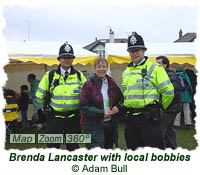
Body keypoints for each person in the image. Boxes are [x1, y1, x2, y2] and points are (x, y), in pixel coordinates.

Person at [122, 32, 174, 150]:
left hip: (149, 119)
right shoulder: (126, 71)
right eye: (131, 51)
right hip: (131, 119)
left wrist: (159, 108)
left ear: (144, 50)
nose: (134, 53)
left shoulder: (155, 68)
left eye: (137, 50)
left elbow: (168, 92)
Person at [36, 42, 86, 151]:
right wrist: (46, 108)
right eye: (64, 57)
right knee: (53, 148)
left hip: (73, 119)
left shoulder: (79, 75)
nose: (67, 59)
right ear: (59, 59)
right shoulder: (49, 76)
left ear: (73, 59)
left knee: (73, 148)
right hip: (54, 118)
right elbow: (39, 96)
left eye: (70, 57)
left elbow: (86, 95)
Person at [80, 58, 123, 149]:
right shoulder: (88, 85)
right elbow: (83, 107)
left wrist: (118, 107)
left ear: (107, 68)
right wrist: (101, 113)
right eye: (99, 67)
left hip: (109, 126)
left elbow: (121, 99)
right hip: (94, 127)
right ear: (94, 69)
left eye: (104, 66)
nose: (101, 69)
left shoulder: (111, 83)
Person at [156, 56, 181, 149]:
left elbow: (173, 94)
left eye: (159, 64)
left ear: (165, 65)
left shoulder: (170, 75)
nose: (156, 66)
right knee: (169, 131)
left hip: (169, 109)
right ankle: (172, 149)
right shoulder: (162, 75)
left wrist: (162, 106)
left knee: (161, 130)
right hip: (169, 108)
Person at [174, 65, 193, 129]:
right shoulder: (185, 75)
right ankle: (188, 123)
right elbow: (189, 86)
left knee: (178, 111)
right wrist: (191, 94)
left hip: (177, 95)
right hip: (186, 95)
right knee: (187, 110)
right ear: (183, 70)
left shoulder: (174, 76)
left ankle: (176, 124)